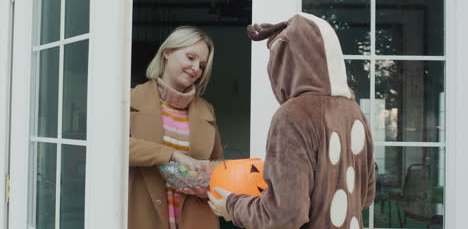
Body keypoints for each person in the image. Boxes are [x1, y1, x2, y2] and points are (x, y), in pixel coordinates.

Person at [208, 13, 376, 229]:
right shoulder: (355, 112)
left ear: (285, 63)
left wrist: (232, 205)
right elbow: (366, 196)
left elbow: (284, 216)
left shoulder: (294, 114)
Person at [129, 26, 223, 229]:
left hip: (196, 218)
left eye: (202, 64)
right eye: (190, 57)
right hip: (143, 216)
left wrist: (206, 186)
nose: (196, 68)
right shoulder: (129, 99)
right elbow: (113, 147)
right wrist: (171, 154)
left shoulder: (207, 111)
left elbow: (218, 166)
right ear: (167, 52)